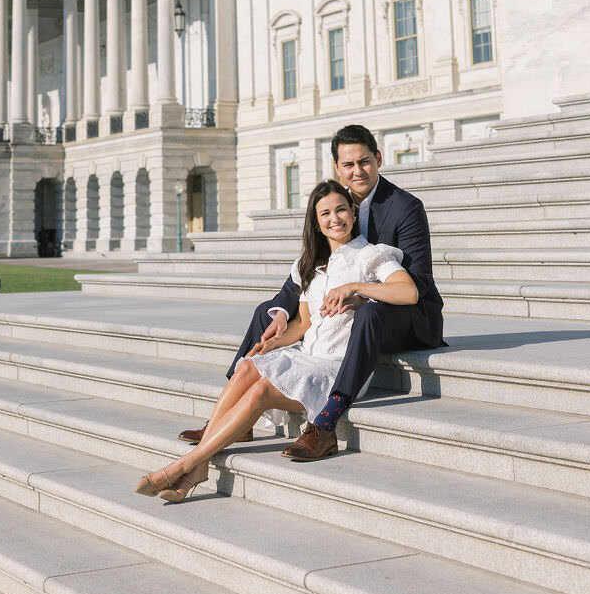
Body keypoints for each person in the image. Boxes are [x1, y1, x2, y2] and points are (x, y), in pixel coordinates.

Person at [135, 180, 418, 503]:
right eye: (325, 213)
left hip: (337, 367)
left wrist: (357, 288)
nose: (334, 218)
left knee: (260, 391)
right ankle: (197, 469)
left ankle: (187, 464)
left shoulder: (370, 256)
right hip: (306, 354)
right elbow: (305, 324)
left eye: (341, 209)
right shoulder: (310, 264)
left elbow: (408, 292)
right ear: (315, 221)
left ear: (353, 213)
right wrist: (276, 341)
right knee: (246, 368)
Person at [178, 124, 444, 462]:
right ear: (337, 167)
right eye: (348, 165)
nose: (357, 171)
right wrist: (280, 314)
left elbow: (417, 284)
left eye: (364, 162)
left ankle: (326, 422)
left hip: (406, 316)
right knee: (267, 311)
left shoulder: (405, 207)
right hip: (354, 305)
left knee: (368, 312)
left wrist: (361, 294)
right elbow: (306, 276)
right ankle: (231, 411)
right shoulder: (337, 204)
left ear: (378, 159)